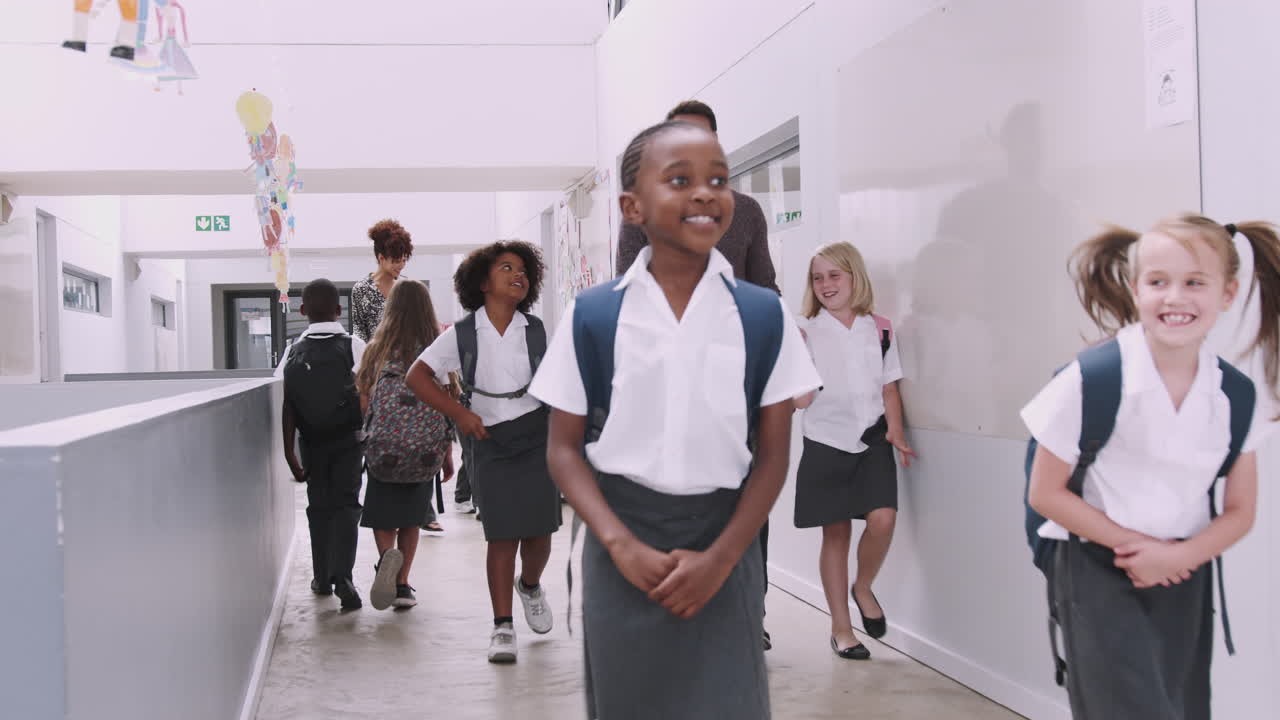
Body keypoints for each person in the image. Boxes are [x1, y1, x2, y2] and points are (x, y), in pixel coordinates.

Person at [533, 120, 820, 719]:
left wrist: (720, 559)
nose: (705, 192)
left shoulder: (762, 315)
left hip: (727, 545)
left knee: (729, 704)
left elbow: (772, 457)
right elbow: (563, 449)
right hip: (622, 548)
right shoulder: (594, 316)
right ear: (632, 206)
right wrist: (619, 544)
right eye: (680, 179)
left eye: (719, 179)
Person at [1024, 216, 1280, 719]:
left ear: (1227, 293)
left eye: (1194, 283)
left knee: (1181, 707)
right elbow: (1046, 493)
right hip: (1096, 568)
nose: (1175, 297)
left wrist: (1177, 557)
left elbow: (1241, 509)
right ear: (1136, 290)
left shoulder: (1233, 394)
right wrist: (1135, 548)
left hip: (1186, 572)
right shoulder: (1091, 379)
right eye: (1158, 282)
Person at [617, 99, 782, 650]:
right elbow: (630, 296)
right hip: (667, 383)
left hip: (738, 381)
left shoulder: (748, 213)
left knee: (749, 495)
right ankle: (672, 602)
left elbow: (768, 291)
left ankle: (747, 611)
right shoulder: (644, 212)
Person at [405, 241, 560, 664]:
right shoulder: (463, 333)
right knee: (502, 534)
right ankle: (502, 627)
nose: (519, 275)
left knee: (540, 534)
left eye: (524, 270)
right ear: (481, 282)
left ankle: (529, 586)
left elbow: (557, 381)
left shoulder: (537, 329)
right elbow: (417, 376)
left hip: (535, 434)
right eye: (507, 267)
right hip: (488, 440)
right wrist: (457, 412)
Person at [792, 241, 916, 660]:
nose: (825, 284)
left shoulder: (879, 328)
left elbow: (890, 387)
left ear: (853, 277)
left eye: (834, 275)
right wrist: (799, 389)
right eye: (817, 277)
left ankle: (862, 586)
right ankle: (841, 629)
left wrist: (896, 432)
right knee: (836, 533)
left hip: (871, 441)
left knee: (883, 519)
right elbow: (799, 399)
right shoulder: (804, 330)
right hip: (826, 442)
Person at [355, 280, 455, 611]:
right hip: (424, 451)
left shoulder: (376, 350)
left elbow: (365, 404)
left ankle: (387, 558)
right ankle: (402, 586)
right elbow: (449, 403)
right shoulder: (436, 351)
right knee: (412, 520)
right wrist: (447, 453)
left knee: (384, 517)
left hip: (384, 450)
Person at [350, 220, 446, 534]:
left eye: (404, 257)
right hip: (381, 373)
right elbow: (361, 335)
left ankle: (424, 509)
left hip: (413, 370)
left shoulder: (409, 289)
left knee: (418, 433)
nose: (400, 264)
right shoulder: (362, 291)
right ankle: (392, 511)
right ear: (380, 256)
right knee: (390, 437)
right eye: (395, 258)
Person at [278, 279, 367, 610]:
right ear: (339, 310)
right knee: (347, 506)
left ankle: (321, 577)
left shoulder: (293, 350)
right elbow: (367, 396)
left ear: (302, 312)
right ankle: (344, 575)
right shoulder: (354, 345)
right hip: (348, 442)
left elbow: (289, 403)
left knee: (319, 508)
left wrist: (289, 451)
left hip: (310, 444)